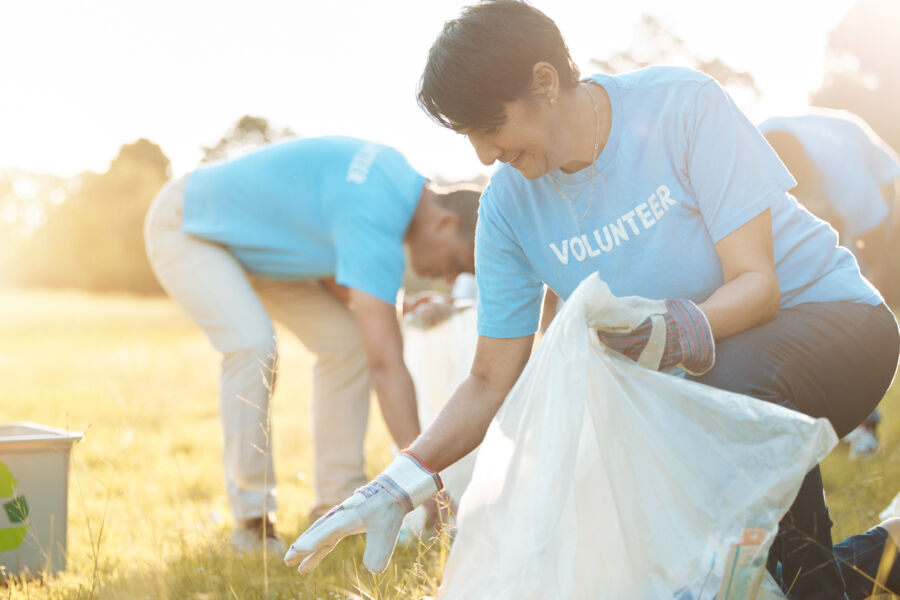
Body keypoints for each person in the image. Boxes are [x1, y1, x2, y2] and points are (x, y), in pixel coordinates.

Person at [285, 2, 900, 597]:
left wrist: (667, 329)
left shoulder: (682, 105)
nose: (482, 154)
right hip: (703, 389)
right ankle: (882, 557)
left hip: (837, 328)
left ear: (545, 83)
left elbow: (758, 287)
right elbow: (489, 378)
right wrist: (400, 482)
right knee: (697, 565)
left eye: (488, 126)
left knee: (730, 390)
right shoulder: (507, 207)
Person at [143, 135, 478, 552]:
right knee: (252, 343)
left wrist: (402, 306)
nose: (449, 277)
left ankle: (334, 505)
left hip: (257, 251)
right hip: (190, 226)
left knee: (347, 343)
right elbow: (386, 364)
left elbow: (344, 281)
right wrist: (424, 487)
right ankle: (252, 525)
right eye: (458, 262)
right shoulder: (378, 211)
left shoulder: (393, 186)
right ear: (445, 224)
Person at [760, 112, 900, 459]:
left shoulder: (843, 172)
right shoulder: (751, 151)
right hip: (825, 214)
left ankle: (866, 426)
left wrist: (860, 318)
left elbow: (878, 258)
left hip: (881, 197)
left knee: (857, 313)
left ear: (806, 173)